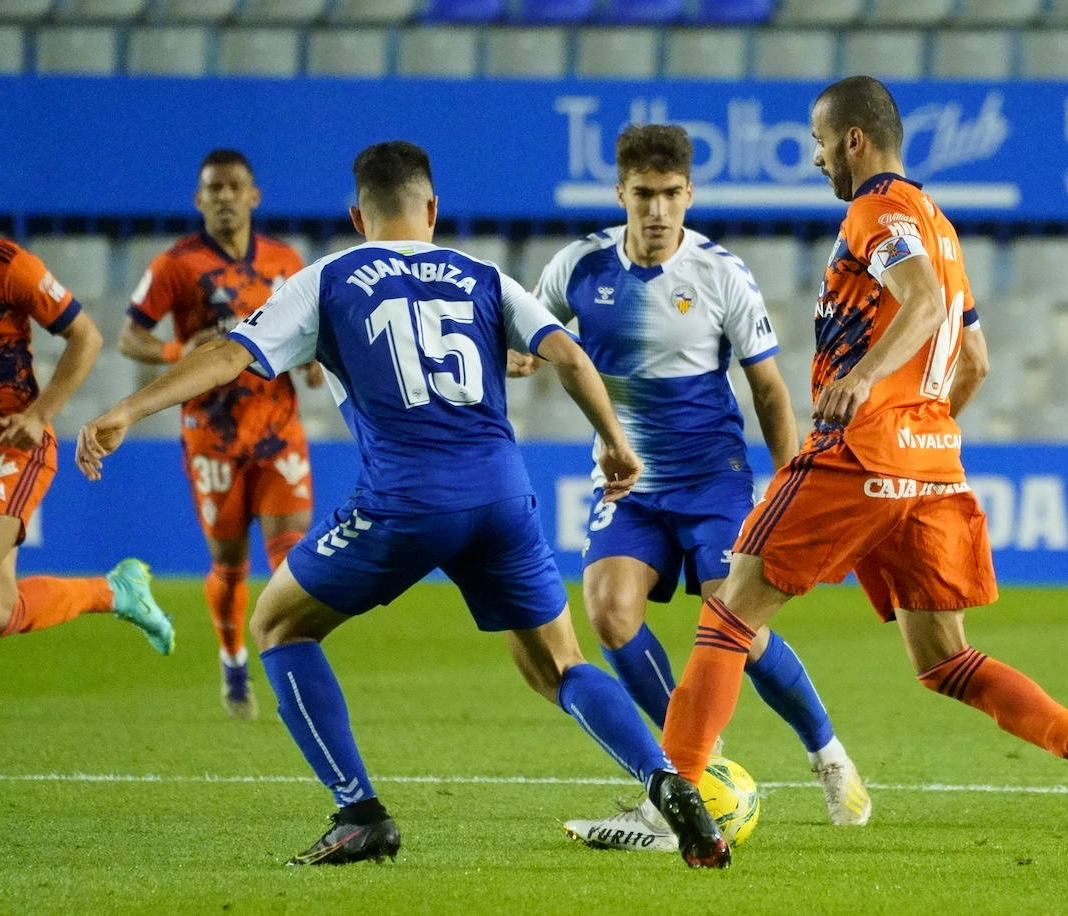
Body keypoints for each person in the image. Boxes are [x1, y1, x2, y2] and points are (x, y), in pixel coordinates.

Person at [77, 141, 729, 869]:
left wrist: (127, 410)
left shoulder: (326, 279)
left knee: (278, 623)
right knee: (560, 664)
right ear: (433, 210)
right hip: (504, 496)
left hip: (406, 501)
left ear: (358, 215)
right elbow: (569, 356)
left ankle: (358, 813)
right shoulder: (481, 273)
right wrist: (614, 442)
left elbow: (233, 354)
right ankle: (669, 784)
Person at [655, 77, 1068, 868]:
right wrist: (922, 436)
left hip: (862, 449)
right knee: (944, 660)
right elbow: (977, 361)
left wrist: (865, 386)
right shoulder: (940, 225)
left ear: (854, 139)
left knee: (732, 612)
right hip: (930, 465)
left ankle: (678, 796)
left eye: (821, 143)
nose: (818, 158)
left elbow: (919, 302)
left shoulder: (876, 209)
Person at [518, 124, 870, 851]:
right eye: (642, 194)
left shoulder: (721, 274)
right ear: (621, 194)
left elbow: (769, 390)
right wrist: (520, 352)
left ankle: (828, 753)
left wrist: (789, 483)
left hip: (713, 479)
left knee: (735, 620)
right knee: (610, 613)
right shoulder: (577, 267)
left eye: (670, 194)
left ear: (689, 194)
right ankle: (686, 772)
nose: (656, 210)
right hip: (630, 485)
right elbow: (529, 328)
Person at [120, 149, 320, 720]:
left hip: (279, 433)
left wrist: (310, 360)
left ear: (254, 196)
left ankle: (292, 667)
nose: (225, 196)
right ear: (198, 199)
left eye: (235, 187)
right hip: (211, 437)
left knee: (290, 559)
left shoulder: (287, 261)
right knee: (230, 566)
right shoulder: (175, 265)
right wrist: (177, 351)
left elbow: (309, 331)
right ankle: (233, 660)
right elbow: (129, 337)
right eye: (214, 188)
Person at [0, 233, 173, 696]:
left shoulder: (9, 266)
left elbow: (85, 336)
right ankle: (115, 591)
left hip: (11, 441)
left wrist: (39, 415)